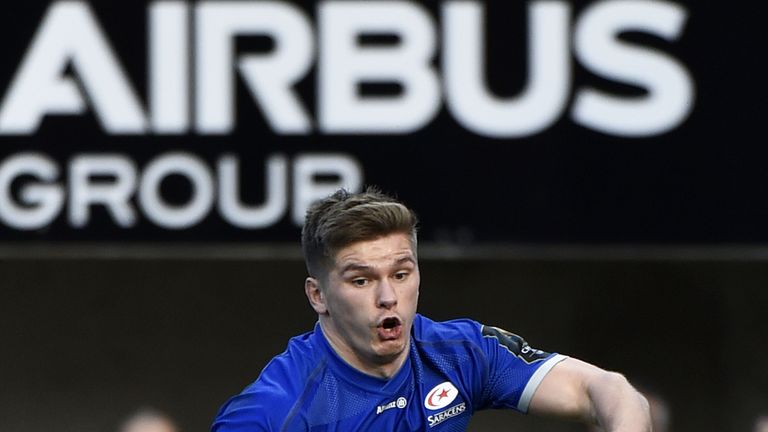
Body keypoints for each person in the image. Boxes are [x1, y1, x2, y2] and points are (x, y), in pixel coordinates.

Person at [211, 187, 651, 431]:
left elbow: (603, 389)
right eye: (361, 280)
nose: (387, 297)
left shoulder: (460, 352)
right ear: (317, 295)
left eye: (401, 274)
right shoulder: (275, 410)